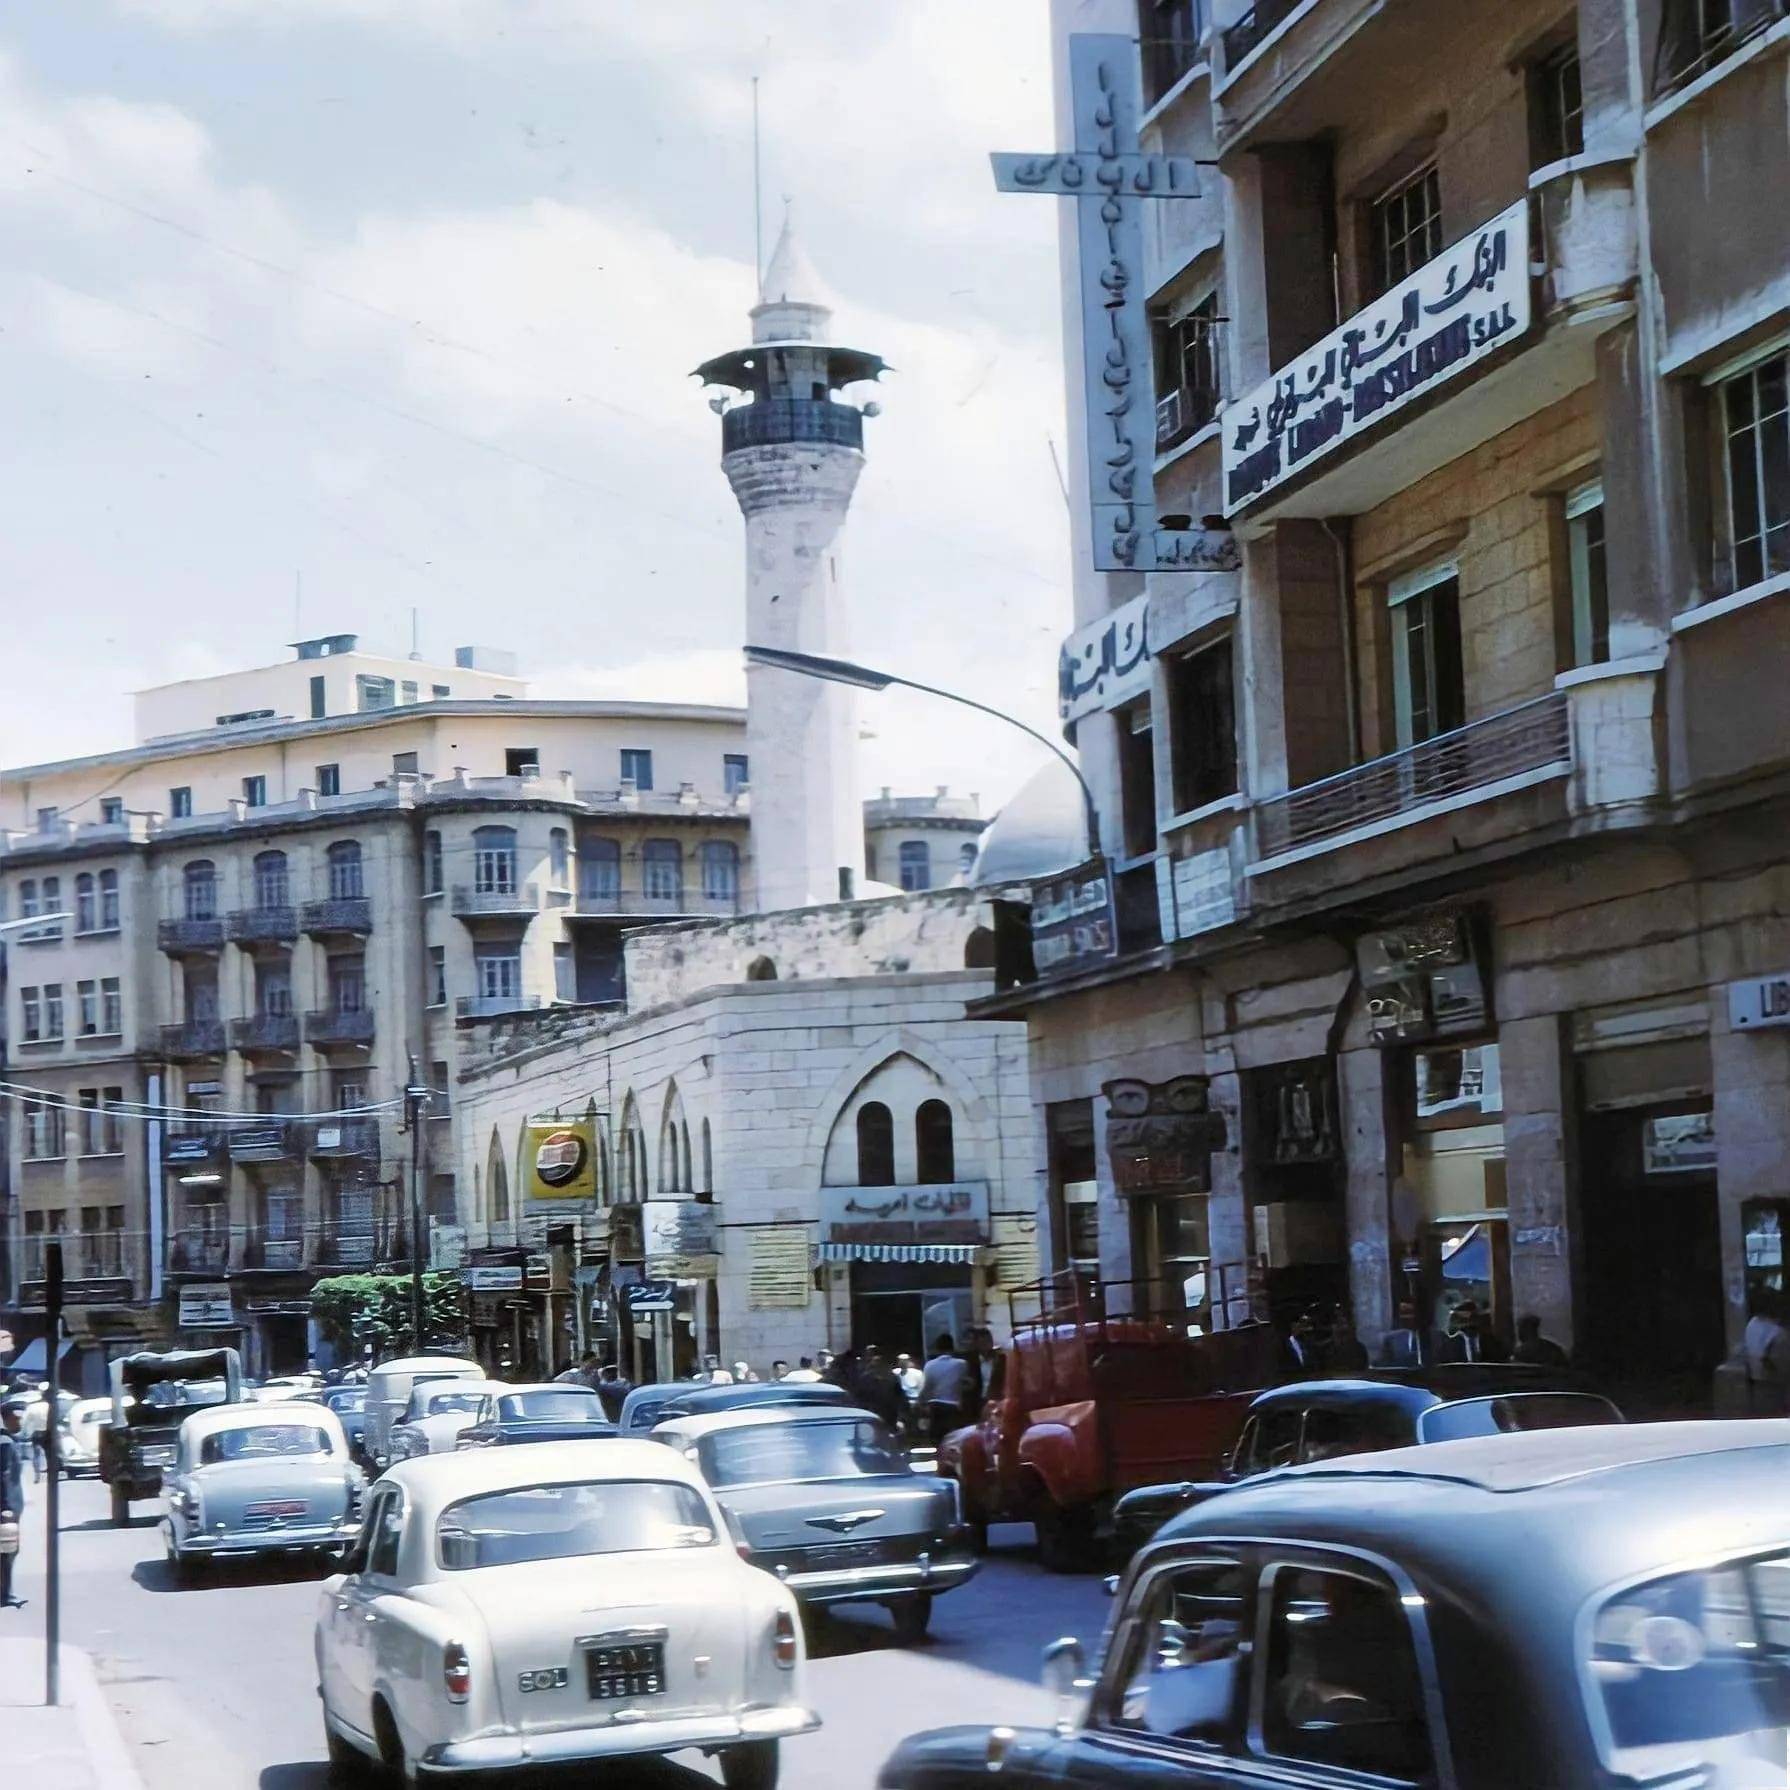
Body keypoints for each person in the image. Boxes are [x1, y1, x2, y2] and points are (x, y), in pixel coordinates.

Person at [917, 1333, 973, 1446]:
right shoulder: (961, 1364)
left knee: (936, 1439)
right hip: (953, 1406)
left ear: (937, 1349)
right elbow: (966, 1383)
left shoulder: (929, 1365)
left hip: (935, 1406)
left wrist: (920, 1402)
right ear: (953, 1347)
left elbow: (926, 1387)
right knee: (952, 1439)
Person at [1744, 1292, 1790, 1413]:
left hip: (1756, 1382)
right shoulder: (1777, 1333)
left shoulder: (1752, 1323)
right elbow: (1777, 1363)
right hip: (1774, 1384)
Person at [0, 1403, 25, 1610]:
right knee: (7, 1551)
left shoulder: (8, 1440)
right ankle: (5, 1594)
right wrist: (7, 1506)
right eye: (16, 1418)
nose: (20, 1422)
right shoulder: (5, 1442)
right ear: (6, 1418)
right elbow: (4, 1476)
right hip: (6, 1507)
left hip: (10, 1505)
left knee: (8, 1551)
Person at [858, 1348, 911, 1431]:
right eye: (875, 1363)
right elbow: (859, 1401)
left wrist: (901, 1420)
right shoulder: (865, 1379)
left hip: (891, 1420)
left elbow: (902, 1400)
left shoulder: (892, 1378)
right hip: (870, 1420)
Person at [1376, 1300, 1429, 1368]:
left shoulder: (1437, 1338)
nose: (1405, 1317)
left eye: (1409, 1313)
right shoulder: (1391, 1339)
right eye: (1402, 1314)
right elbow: (1384, 1364)